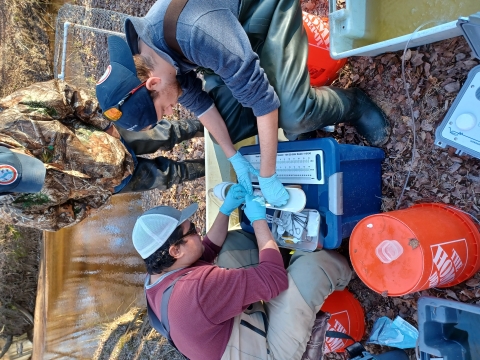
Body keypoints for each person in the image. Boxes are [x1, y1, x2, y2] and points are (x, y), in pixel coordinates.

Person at [95, 0, 391, 208]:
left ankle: (355, 104)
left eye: (163, 110)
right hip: (229, 37)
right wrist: (232, 154)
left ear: (153, 85)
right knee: (227, 128)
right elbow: (200, 103)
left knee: (294, 115)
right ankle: (288, 95)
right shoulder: (152, 59)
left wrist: (268, 175)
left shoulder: (195, 33)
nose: (171, 112)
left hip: (264, 9)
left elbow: (262, 101)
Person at [132, 183, 352, 360]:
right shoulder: (196, 290)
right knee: (313, 265)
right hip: (264, 350)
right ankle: (347, 274)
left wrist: (225, 210)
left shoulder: (158, 275)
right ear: (175, 250)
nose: (199, 233)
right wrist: (259, 221)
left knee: (233, 241)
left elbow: (206, 250)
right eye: (193, 231)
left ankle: (278, 260)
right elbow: (274, 279)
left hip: (231, 327)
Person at [0, 80, 204, 231]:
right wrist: (100, 196)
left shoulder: (11, 116)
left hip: (112, 136)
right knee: (172, 174)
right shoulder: (10, 209)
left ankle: (220, 128)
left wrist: (105, 124)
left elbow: (67, 96)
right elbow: (60, 218)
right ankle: (220, 167)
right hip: (114, 184)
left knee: (170, 133)